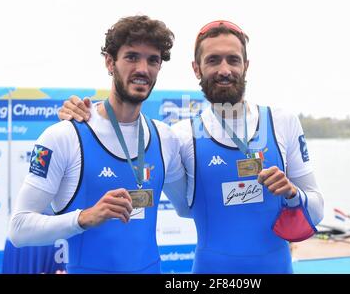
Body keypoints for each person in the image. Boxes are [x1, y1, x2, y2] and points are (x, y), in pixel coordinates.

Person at [58, 20, 324, 274]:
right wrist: (83, 117)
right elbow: (185, 207)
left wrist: (292, 194)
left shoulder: (281, 122)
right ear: (197, 69)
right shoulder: (181, 136)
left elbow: (317, 210)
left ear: (246, 66)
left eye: (233, 59)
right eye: (213, 60)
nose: (224, 70)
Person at [8, 15, 188, 274]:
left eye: (153, 60)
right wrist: (83, 217)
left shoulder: (166, 138)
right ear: (109, 62)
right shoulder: (62, 137)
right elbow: (18, 229)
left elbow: (188, 208)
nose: (143, 69)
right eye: (132, 57)